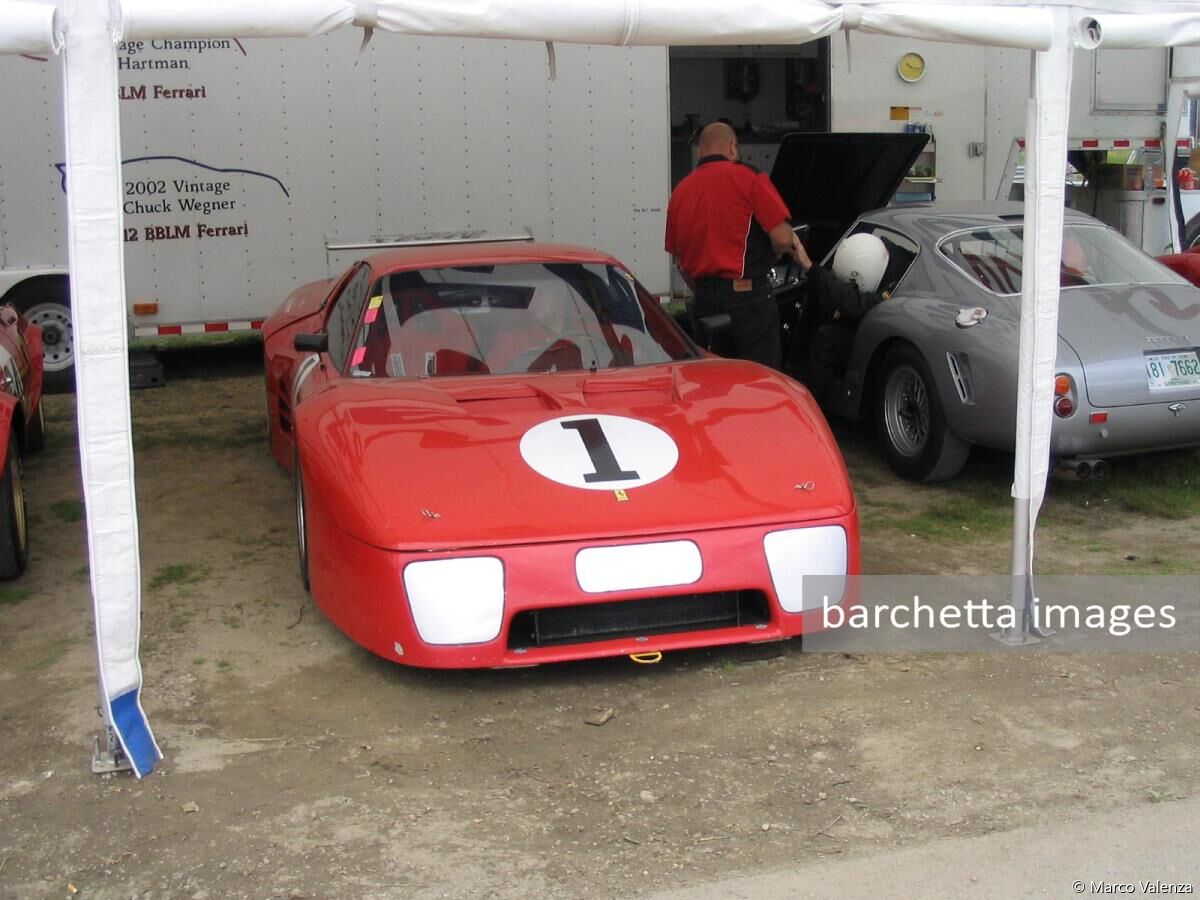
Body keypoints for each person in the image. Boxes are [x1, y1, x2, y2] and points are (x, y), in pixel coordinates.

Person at [664, 121, 806, 368]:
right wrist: (772, 256)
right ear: (732, 147)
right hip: (749, 300)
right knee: (759, 381)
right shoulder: (748, 178)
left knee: (714, 378)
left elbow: (680, 262)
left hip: (704, 303)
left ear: (701, 151)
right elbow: (783, 238)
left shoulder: (680, 192)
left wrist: (704, 289)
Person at [794, 232, 890, 396]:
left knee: (826, 337)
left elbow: (853, 304)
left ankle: (811, 399)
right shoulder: (888, 260)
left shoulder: (890, 289)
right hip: (882, 343)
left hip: (876, 345)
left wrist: (811, 268)